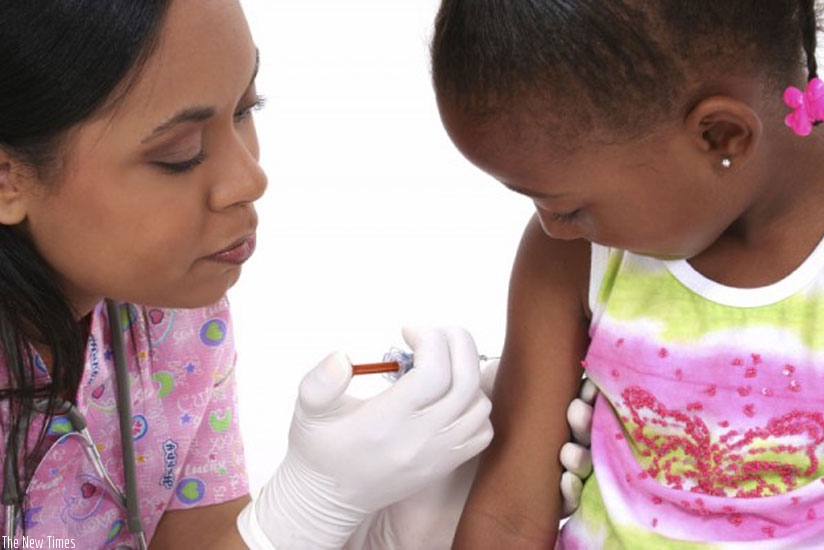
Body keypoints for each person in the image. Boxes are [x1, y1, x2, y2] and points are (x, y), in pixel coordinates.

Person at [0, 1, 594, 549]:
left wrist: (377, 534)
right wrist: (301, 512)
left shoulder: (170, 314)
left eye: (246, 109)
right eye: (179, 153)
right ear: (8, 178)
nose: (250, 179)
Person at [432, 1, 824, 548]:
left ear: (721, 136)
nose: (552, 227)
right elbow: (508, 518)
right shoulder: (573, 256)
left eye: (568, 207)